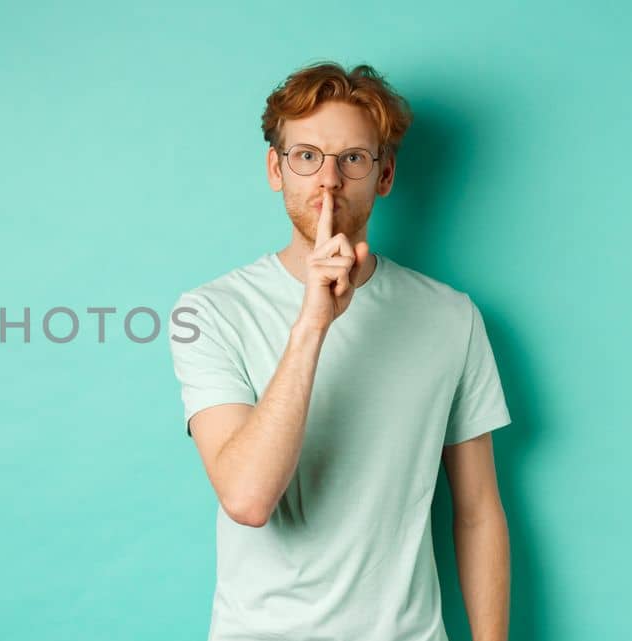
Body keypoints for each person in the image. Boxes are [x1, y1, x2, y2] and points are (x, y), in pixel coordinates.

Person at [168, 61, 512, 641]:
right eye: (306, 156)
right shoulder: (208, 312)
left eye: (352, 158)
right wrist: (312, 325)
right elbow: (248, 498)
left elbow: (478, 510)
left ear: (384, 175)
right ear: (276, 169)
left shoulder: (452, 317)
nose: (328, 181)